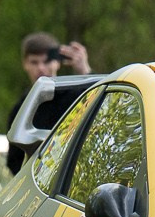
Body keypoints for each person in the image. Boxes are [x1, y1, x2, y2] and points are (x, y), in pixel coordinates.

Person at [5, 32, 91, 174]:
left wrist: (85, 71)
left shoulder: (77, 96)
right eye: (34, 62)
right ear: (25, 64)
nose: (41, 68)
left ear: (57, 62)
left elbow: (104, 109)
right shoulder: (21, 109)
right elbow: (14, 160)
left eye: (46, 62)